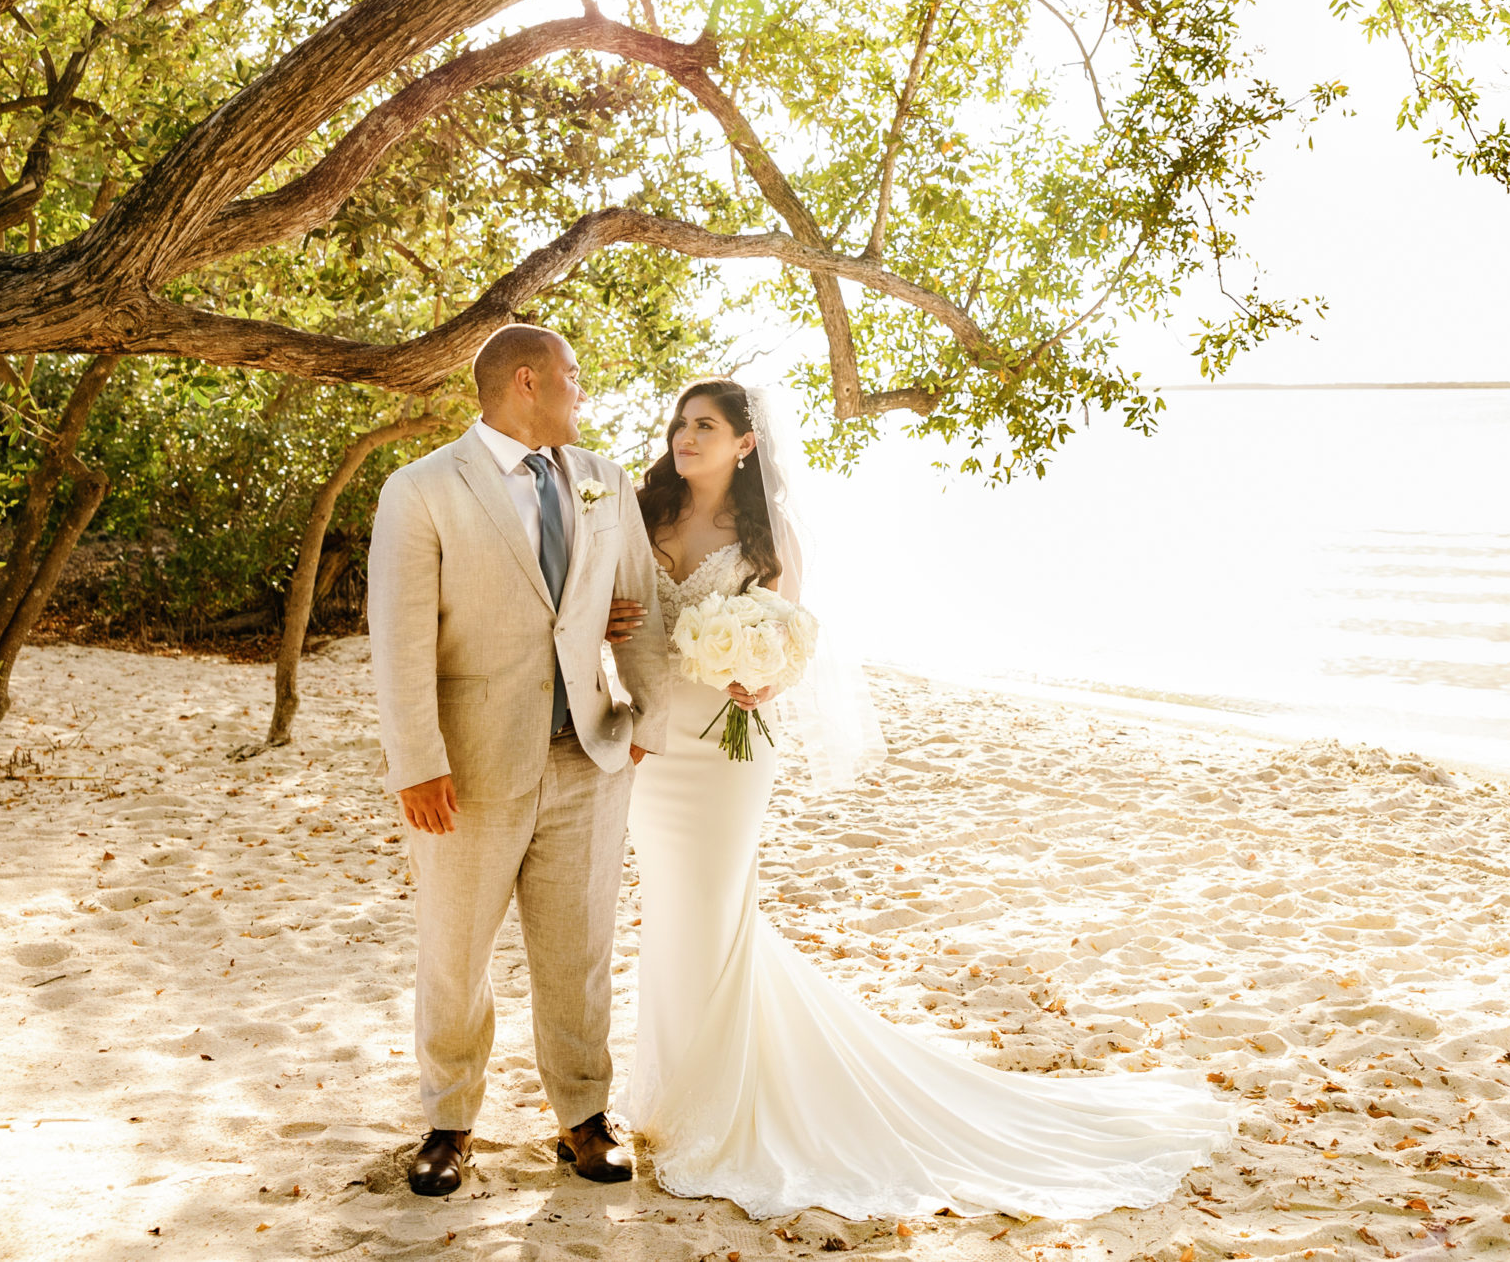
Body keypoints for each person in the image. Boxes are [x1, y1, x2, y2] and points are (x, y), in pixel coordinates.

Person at [625, 379, 1233, 1217]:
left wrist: (761, 676)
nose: (685, 436)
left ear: (745, 444)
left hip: (728, 753)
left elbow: (787, 641)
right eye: (680, 423)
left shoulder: (771, 537)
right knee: (671, 914)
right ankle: (669, 1102)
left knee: (713, 911)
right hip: (656, 750)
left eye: (706, 425)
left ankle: (718, 1113)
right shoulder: (642, 510)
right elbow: (611, 611)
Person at [368, 323, 670, 1194]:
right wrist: (415, 761)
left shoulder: (606, 483)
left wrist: (643, 716)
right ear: (528, 381)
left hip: (589, 756)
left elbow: (637, 607)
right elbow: (398, 638)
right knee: (454, 952)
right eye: (575, 377)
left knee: (578, 949)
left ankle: (583, 1118)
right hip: (465, 770)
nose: (586, 392)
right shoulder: (420, 489)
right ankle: (449, 1123)